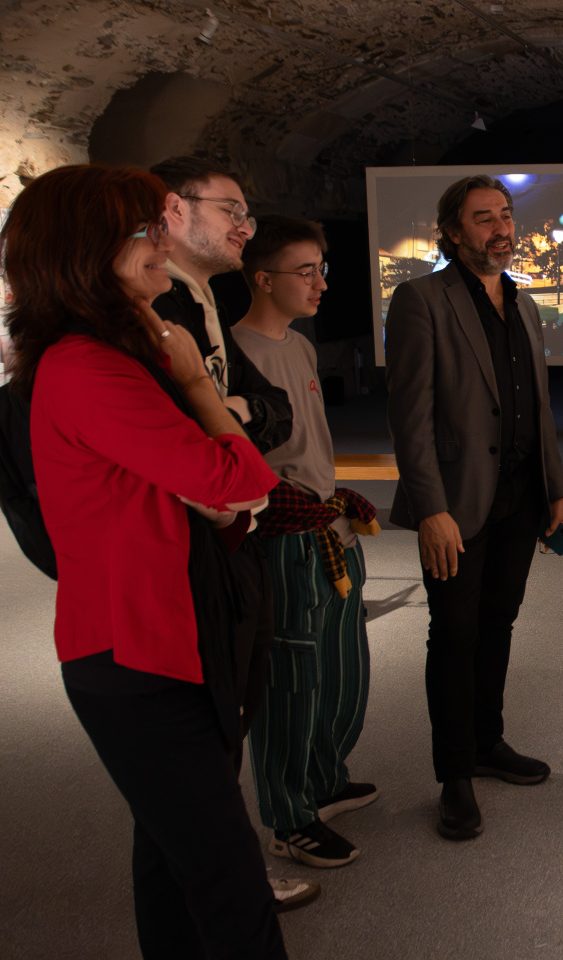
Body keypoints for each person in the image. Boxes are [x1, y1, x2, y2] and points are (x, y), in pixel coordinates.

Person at [5, 164, 292, 956]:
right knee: (228, 883)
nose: (162, 241)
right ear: (85, 250)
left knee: (174, 864)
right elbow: (240, 480)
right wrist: (200, 388)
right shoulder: (88, 367)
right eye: (145, 229)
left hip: (163, 636)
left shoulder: (109, 355)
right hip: (136, 654)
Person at [148, 156, 315, 908]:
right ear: (173, 210)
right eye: (230, 209)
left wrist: (227, 412)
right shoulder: (154, 311)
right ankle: (223, 880)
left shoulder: (202, 303)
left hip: (234, 537)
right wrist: (231, 416)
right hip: (191, 546)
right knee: (203, 729)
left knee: (233, 712)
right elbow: (185, 445)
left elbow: (272, 413)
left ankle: (217, 874)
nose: (245, 225)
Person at [386, 175, 563, 840]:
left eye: (505, 215)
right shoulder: (421, 300)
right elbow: (410, 418)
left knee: (498, 624)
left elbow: (538, 407)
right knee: (454, 634)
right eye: (484, 218)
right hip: (455, 504)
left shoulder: (524, 304)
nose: (500, 229)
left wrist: (555, 487)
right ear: (453, 231)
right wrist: (429, 509)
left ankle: (488, 742)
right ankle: (454, 774)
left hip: (520, 498)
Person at [231, 216, 379, 868]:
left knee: (341, 672)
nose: (320, 283)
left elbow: (306, 444)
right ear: (264, 279)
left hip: (328, 527)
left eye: (323, 269)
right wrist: (272, 500)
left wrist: (333, 491)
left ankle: (323, 779)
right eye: (306, 271)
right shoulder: (235, 357)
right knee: (291, 680)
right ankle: (288, 818)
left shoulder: (299, 345)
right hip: (282, 538)